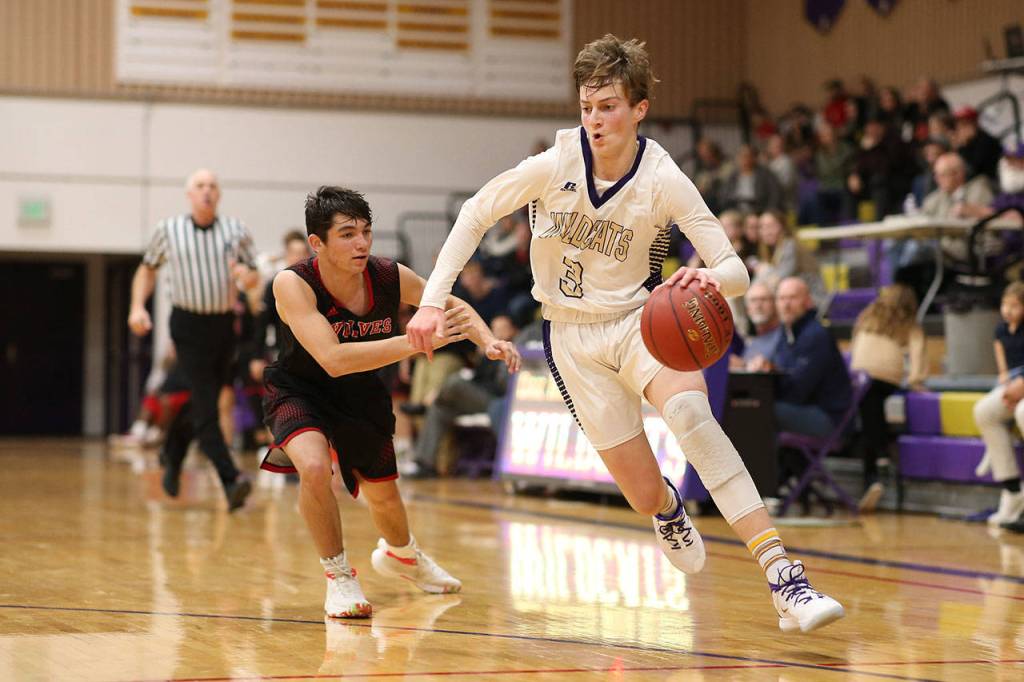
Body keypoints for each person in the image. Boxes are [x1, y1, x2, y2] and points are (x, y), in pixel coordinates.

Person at [405, 34, 844, 634]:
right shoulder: (553, 163)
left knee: (693, 417)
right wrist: (432, 302)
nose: (594, 119)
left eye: (607, 106)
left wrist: (708, 276)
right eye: (586, 107)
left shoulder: (664, 178)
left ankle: (783, 576)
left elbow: (737, 270)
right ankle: (666, 507)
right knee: (642, 493)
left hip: (643, 322)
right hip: (570, 339)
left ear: (638, 108)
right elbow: (475, 214)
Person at [259, 186, 520, 618]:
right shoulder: (293, 283)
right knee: (314, 466)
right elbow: (334, 360)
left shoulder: (387, 275)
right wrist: (416, 343)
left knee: (384, 497)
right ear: (316, 243)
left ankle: (404, 556)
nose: (361, 243)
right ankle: (339, 576)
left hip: (361, 393)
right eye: (347, 234)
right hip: (299, 388)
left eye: (366, 232)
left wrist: (488, 340)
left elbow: (448, 304)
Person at [129, 168, 255, 511]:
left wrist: (249, 277)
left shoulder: (236, 231)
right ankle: (230, 480)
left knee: (204, 401)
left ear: (219, 194)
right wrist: (138, 306)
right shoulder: (169, 230)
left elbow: (253, 276)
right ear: (189, 194)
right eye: (200, 186)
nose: (207, 191)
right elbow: (147, 268)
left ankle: (172, 455)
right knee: (208, 406)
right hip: (187, 324)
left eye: (213, 185)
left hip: (224, 324)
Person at [849, 284, 927, 509]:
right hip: (884, 381)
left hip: (859, 379)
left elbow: (855, 345)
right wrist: (916, 380)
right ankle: (880, 455)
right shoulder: (910, 325)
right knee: (872, 410)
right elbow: (917, 353)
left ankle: (872, 474)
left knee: (868, 414)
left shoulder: (867, 317)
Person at [972, 282, 1024, 527]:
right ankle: (1013, 491)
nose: (1008, 310)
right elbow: (1004, 369)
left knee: (1023, 411)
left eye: (1015, 305)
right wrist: (1008, 387)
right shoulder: (1000, 331)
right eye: (1006, 304)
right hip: (1012, 386)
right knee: (984, 411)